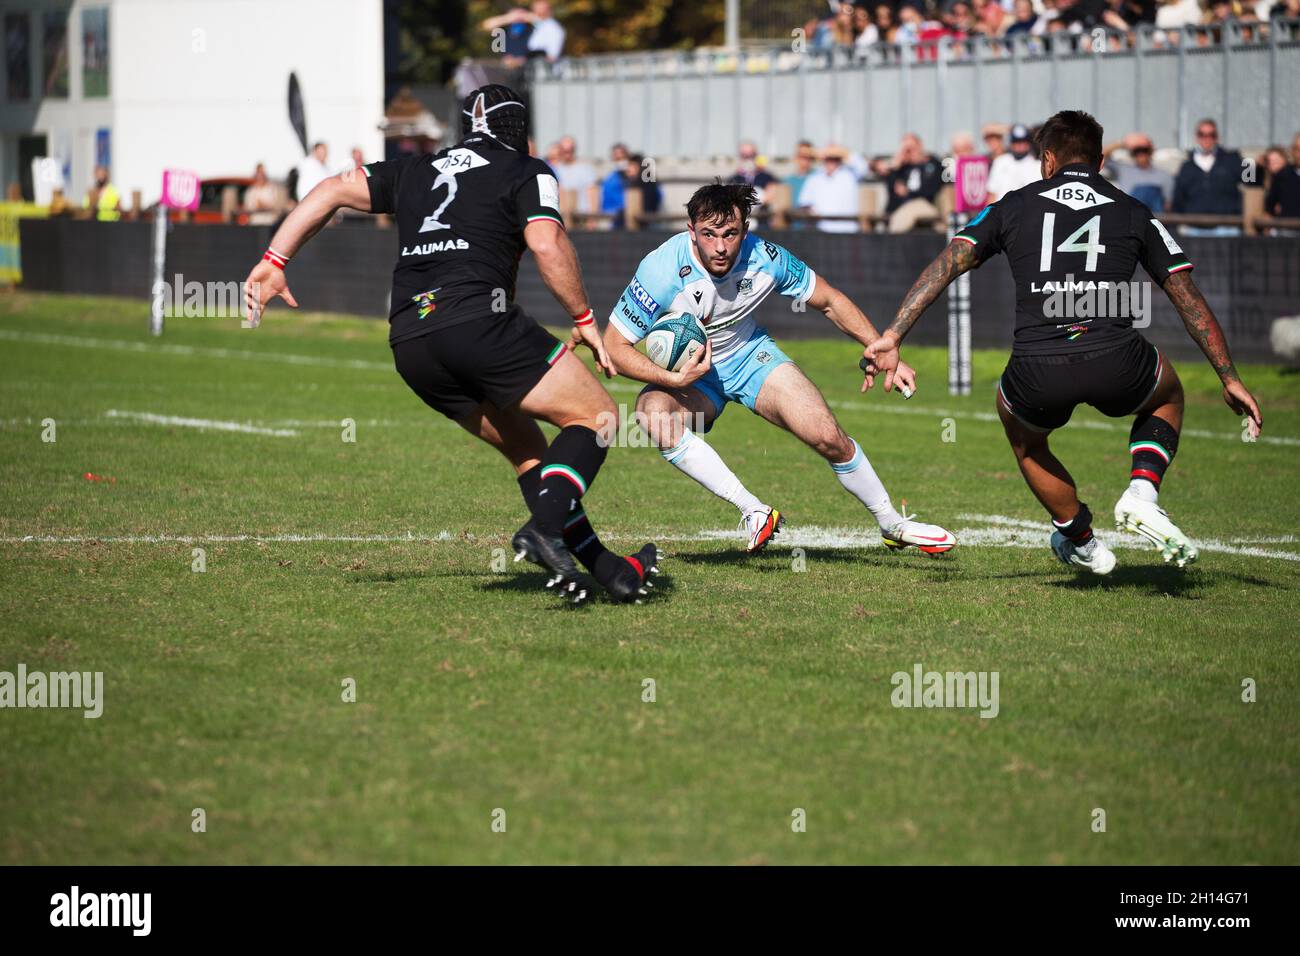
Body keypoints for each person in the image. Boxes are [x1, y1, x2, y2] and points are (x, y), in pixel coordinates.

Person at [242, 85, 657, 604]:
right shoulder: (527, 170)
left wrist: (275, 261)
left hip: (411, 341)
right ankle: (542, 531)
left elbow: (328, 190)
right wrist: (585, 317)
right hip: (476, 322)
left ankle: (608, 569)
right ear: (521, 131)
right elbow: (548, 243)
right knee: (595, 416)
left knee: (529, 450)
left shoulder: (415, 169)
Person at [866, 110, 1262, 576]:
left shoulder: (1012, 205)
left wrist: (892, 336)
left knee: (1028, 443)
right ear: (1097, 160)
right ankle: (1142, 492)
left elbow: (947, 264)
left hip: (1038, 367)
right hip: (1117, 359)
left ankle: (1082, 541)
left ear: (1048, 160)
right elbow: (1185, 293)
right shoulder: (1134, 210)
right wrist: (1229, 377)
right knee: (1168, 393)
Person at [601, 182, 957, 557]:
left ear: (746, 230)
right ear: (691, 231)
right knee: (652, 414)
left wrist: (881, 349)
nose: (720, 247)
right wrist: (672, 378)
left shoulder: (765, 257)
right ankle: (753, 510)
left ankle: (892, 524)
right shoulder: (661, 270)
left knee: (828, 437)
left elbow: (830, 301)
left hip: (750, 356)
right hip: (695, 377)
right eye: (708, 235)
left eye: (730, 234)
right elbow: (614, 346)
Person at [1172, 119, 1243, 234]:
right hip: (1193, 229)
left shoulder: (1231, 161)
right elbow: (1178, 198)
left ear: (1217, 137)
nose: (1207, 138)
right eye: (1202, 134)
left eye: (1211, 135)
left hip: (1226, 228)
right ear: (1196, 137)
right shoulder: (1186, 166)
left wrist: (1256, 165)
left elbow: (1252, 181)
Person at [883, 133, 944, 233]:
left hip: (923, 204)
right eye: (905, 150)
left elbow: (931, 190)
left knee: (904, 216)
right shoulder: (902, 168)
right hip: (901, 207)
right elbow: (891, 191)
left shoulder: (932, 164)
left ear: (920, 146)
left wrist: (908, 192)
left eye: (911, 149)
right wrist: (895, 166)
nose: (909, 153)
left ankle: (892, 239)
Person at [1103, 132, 1174, 212]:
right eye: (1137, 151)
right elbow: (1101, 156)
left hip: (1155, 219)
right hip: (1130, 218)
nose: (1141, 155)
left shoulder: (1164, 175)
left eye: (1145, 150)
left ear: (1151, 151)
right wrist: (1123, 142)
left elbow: (1168, 204)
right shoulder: (1123, 169)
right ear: (1132, 153)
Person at [798, 144, 860, 233]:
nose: (831, 161)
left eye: (835, 158)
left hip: (848, 230)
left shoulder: (850, 175)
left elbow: (861, 164)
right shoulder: (814, 178)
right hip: (822, 231)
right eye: (828, 158)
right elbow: (805, 203)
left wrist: (838, 150)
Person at [986, 123, 1040, 202]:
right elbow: (992, 195)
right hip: (1001, 212)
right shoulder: (1000, 162)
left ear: (1029, 143)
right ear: (1011, 143)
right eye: (1016, 142)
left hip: (1026, 212)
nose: (1020, 145)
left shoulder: (1037, 166)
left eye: (1023, 142)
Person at [553, 136, 598, 219]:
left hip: (583, 216)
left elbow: (592, 192)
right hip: (562, 217)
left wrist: (593, 217)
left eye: (570, 150)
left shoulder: (586, 169)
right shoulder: (554, 169)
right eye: (565, 150)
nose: (567, 153)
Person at [1262, 133, 1300, 221]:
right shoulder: (1281, 176)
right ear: (1292, 151)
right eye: (1297, 150)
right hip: (1286, 229)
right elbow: (1269, 208)